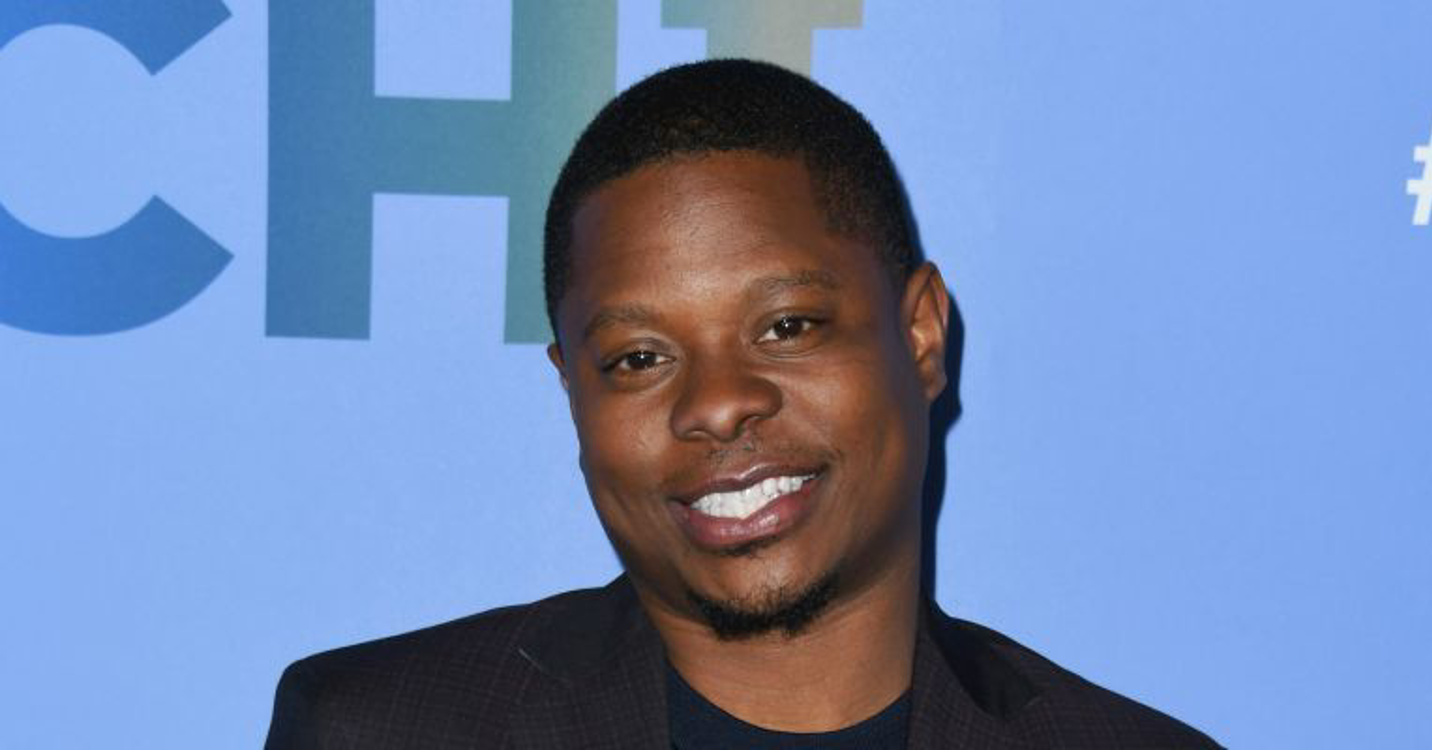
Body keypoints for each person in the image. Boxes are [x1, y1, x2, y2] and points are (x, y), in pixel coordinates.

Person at [264, 58, 1221, 749]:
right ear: (571, 392)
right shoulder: (381, 729)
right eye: (639, 358)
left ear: (921, 335)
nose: (718, 405)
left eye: (788, 327)